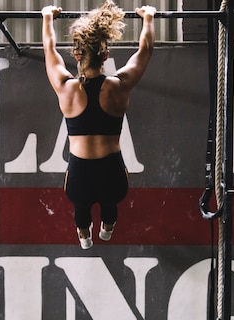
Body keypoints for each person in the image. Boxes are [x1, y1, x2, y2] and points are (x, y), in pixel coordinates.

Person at [42, 1, 155, 249]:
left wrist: (47, 18)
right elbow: (145, 51)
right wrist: (148, 17)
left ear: (76, 54)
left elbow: (50, 51)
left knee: (81, 206)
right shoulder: (118, 86)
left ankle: (84, 236)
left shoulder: (66, 88)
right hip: (111, 171)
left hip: (79, 174)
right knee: (110, 203)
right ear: (105, 56)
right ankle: (108, 227)